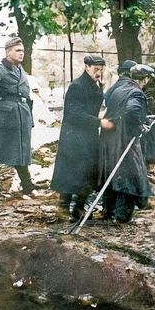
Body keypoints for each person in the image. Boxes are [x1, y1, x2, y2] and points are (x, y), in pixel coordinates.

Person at [51, 54, 114, 222]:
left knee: (85, 173)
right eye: (96, 69)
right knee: (72, 173)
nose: (99, 73)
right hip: (74, 136)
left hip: (88, 134)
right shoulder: (77, 86)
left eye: (101, 70)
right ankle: (65, 209)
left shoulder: (95, 84)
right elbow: (74, 114)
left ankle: (78, 208)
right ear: (87, 67)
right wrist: (100, 122)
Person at [0, 37, 36, 196]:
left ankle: (28, 185)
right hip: (4, 116)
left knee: (21, 150)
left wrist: (29, 118)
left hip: (21, 115)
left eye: (23, 51)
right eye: (18, 50)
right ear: (8, 52)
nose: (21, 53)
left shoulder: (20, 69)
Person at [99, 64, 154, 222]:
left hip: (109, 138)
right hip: (124, 139)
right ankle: (122, 216)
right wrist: (138, 127)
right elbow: (131, 111)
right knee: (129, 174)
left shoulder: (117, 88)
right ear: (145, 79)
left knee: (111, 173)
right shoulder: (136, 92)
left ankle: (107, 210)